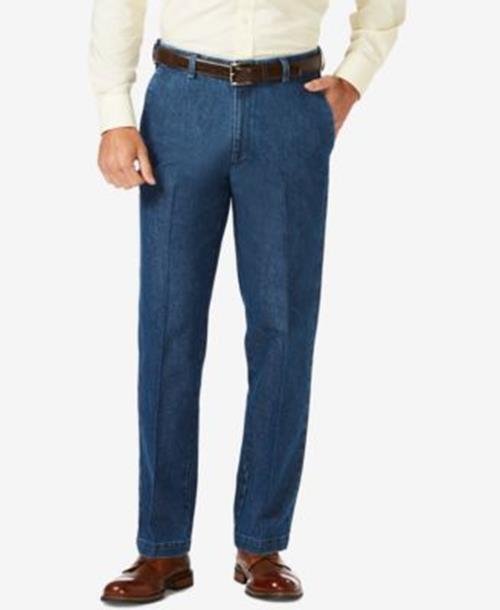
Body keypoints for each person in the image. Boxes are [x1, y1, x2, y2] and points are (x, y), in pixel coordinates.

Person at [89, 0, 405, 602]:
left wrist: (355, 76)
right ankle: (161, 547)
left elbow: (384, 8)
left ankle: (262, 542)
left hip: (291, 102)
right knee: (167, 327)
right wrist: (114, 114)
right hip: (182, 102)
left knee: (283, 329)